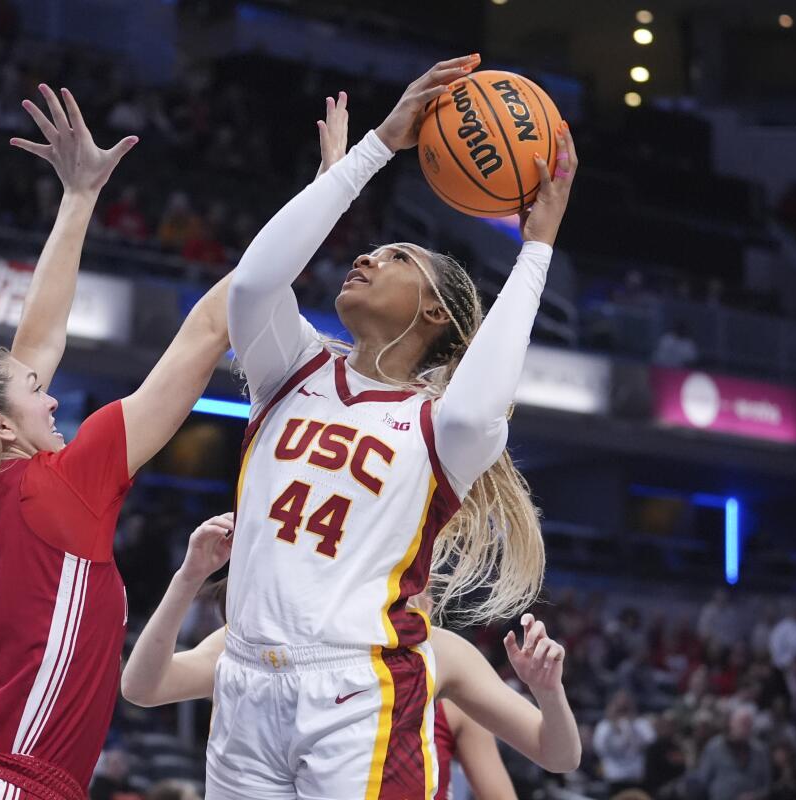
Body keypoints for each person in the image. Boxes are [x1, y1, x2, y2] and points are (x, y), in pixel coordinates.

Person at [212, 55, 579, 797]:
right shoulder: (292, 368)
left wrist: (536, 247)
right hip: (243, 685)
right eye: (375, 247)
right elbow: (253, 280)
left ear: (436, 311)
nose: (369, 253)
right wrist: (377, 146)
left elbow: (481, 402)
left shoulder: (444, 429)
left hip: (358, 692)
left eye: (398, 255)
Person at [0, 87, 233, 800]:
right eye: (36, 393)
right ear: (0, 426)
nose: (53, 395)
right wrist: (338, 183)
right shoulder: (52, 488)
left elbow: (34, 346)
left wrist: (80, 197)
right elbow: (212, 325)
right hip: (9, 786)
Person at [121, 512, 555, 800]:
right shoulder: (270, 636)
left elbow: (556, 755)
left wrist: (548, 691)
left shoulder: (440, 653)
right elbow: (143, 687)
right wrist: (189, 575)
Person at [692, 706, 771, 800]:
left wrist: (755, 796)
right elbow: (703, 780)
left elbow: (767, 784)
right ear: (731, 723)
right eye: (742, 723)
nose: (745, 727)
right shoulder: (715, 747)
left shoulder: (760, 750)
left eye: (748, 724)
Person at [593, 690, 655, 792]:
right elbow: (599, 748)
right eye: (619, 708)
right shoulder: (604, 726)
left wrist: (633, 725)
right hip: (614, 776)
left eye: (625, 708)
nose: (622, 713)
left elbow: (651, 742)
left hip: (636, 776)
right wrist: (612, 726)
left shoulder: (641, 724)